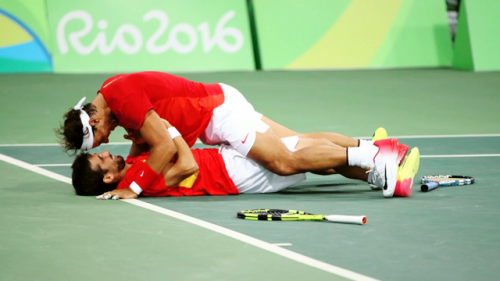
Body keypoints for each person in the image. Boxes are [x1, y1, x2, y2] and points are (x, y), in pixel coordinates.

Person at [57, 71, 400, 197]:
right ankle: (373, 150)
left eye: (101, 140)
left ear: (95, 122)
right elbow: (143, 150)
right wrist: (130, 173)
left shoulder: (123, 100)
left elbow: (162, 147)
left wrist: (132, 187)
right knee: (301, 144)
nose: (108, 140)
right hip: (217, 113)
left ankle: (373, 159)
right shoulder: (115, 98)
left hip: (218, 114)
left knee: (285, 161)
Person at [71, 120, 419, 199]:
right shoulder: (143, 181)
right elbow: (187, 162)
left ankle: (380, 164)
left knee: (310, 147)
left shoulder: (134, 169)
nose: (104, 152)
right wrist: (172, 130)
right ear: (106, 178)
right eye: (101, 160)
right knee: (307, 152)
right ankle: (381, 159)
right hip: (231, 174)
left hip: (227, 160)